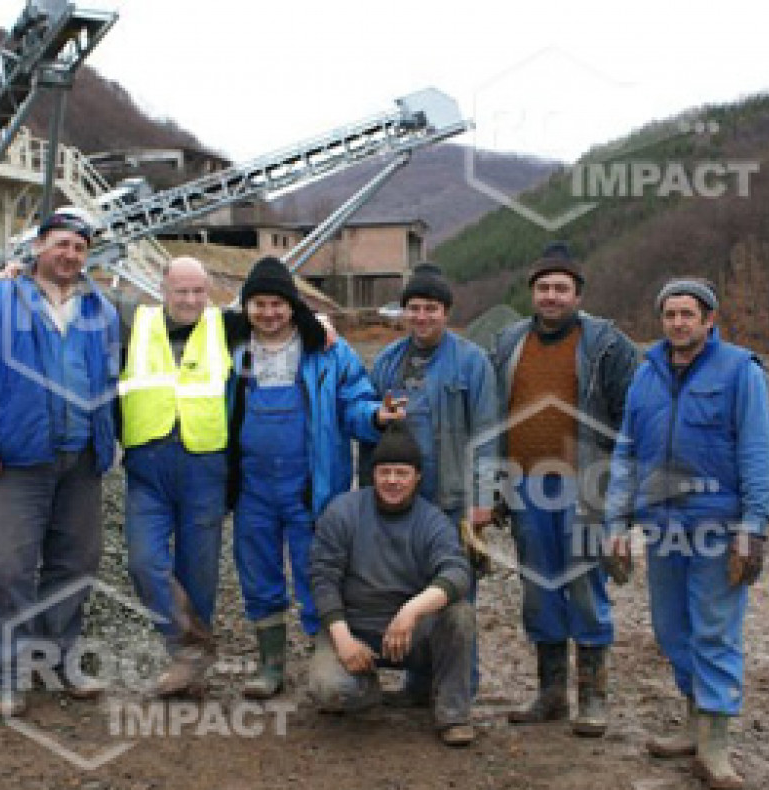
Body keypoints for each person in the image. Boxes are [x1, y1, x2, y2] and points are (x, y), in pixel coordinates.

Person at [604, 278, 769, 790]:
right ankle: (692, 723)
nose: (678, 322)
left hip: (717, 530)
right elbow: (626, 452)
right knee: (671, 628)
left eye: (688, 314)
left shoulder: (740, 373)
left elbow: (757, 450)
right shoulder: (647, 376)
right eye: (670, 314)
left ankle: (716, 746)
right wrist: (615, 522)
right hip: (662, 528)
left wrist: (754, 528)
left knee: (715, 632)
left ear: (709, 320)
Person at [0, 209, 120, 717]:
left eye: (79, 247)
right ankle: (6, 673)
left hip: (81, 456)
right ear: (39, 247)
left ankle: (59, 660)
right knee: (10, 566)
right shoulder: (1, 300)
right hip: (20, 457)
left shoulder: (103, 311)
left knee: (75, 563)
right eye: (61, 244)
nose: (69, 255)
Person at [228, 256, 401, 699]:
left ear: (293, 307)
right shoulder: (231, 347)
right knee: (257, 571)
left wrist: (376, 417)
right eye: (260, 304)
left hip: (310, 487)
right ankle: (270, 664)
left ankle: (328, 653)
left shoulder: (326, 350)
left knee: (318, 571)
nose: (269, 313)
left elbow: (354, 403)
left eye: (278, 304)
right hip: (252, 487)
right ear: (246, 307)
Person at [489, 241, 640, 735]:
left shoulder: (607, 345)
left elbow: (630, 419)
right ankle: (551, 693)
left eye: (562, 288)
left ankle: (593, 697)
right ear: (531, 292)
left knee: (583, 585)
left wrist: (621, 492)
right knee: (538, 588)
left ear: (578, 294)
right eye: (543, 288)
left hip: (584, 488)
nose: (552, 296)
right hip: (525, 486)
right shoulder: (509, 342)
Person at [116, 256, 257, 698]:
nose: (191, 300)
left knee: (199, 570)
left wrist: (321, 323)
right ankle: (192, 645)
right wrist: (13, 281)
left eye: (199, 291)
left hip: (204, 464)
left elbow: (282, 319)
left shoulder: (226, 327)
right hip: (148, 464)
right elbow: (74, 306)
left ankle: (187, 665)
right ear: (163, 289)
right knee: (144, 561)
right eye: (182, 291)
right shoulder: (133, 325)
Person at [363, 262, 497, 703]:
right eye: (414, 308)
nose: (422, 317)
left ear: (446, 312)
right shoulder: (386, 363)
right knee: (407, 590)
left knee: (455, 596)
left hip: (454, 503)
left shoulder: (472, 362)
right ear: (404, 313)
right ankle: (417, 684)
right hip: (400, 505)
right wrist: (367, 499)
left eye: (431, 308)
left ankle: (458, 689)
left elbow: (487, 433)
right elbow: (371, 439)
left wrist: (482, 500)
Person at [308, 422, 477, 746]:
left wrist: (411, 611)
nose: (392, 481)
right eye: (385, 472)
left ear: (417, 477)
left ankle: (452, 714)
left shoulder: (433, 521)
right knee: (330, 691)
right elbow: (323, 578)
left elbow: (457, 572)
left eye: (401, 473)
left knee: (459, 615)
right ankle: (364, 686)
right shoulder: (342, 512)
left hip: (410, 632)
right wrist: (342, 639)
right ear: (373, 475)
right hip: (354, 629)